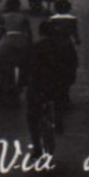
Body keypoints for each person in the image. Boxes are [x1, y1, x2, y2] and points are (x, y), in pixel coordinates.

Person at [25, 19, 74, 149]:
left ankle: (36, 146)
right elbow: (72, 65)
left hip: (39, 86)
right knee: (60, 101)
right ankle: (59, 120)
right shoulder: (63, 46)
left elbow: (28, 66)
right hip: (57, 85)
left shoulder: (36, 47)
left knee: (32, 115)